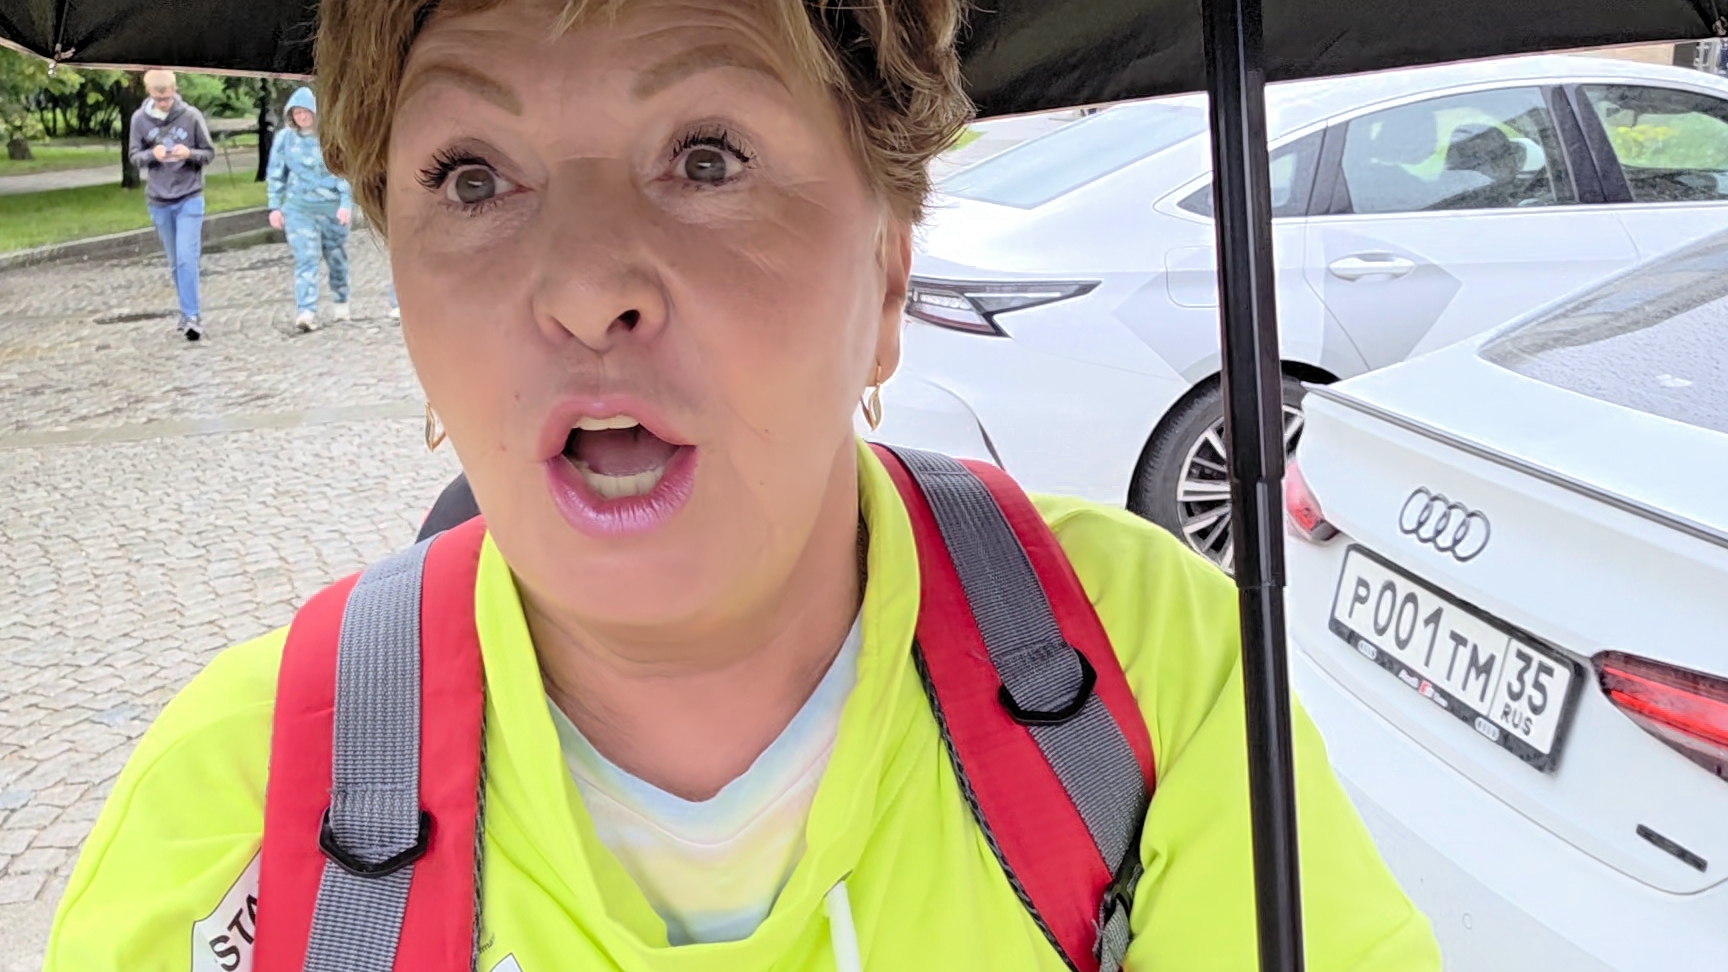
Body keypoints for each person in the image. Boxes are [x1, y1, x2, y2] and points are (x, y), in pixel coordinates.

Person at [46, 2, 1443, 970]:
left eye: (707, 158)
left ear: (888, 274)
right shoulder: (240, 804)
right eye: (470, 179)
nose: (586, 287)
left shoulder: (1153, 672)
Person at [127, 69, 215, 341]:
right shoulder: (139, 120)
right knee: (176, 261)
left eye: (167, 97)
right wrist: (151, 155)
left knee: (187, 258)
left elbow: (208, 153)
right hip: (159, 200)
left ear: (175, 90)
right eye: (158, 99)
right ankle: (186, 310)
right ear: (150, 94)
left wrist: (189, 153)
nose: (164, 103)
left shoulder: (191, 116)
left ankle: (192, 316)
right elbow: (134, 156)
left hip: (189, 196)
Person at [266, 87, 354, 332]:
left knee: (336, 257)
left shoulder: (331, 137)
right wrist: (274, 207)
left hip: (331, 208)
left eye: (306, 112)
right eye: (297, 113)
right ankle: (306, 311)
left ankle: (341, 301)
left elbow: (344, 171)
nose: (302, 117)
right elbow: (276, 174)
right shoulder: (285, 139)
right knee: (306, 259)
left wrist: (345, 203)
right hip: (298, 208)